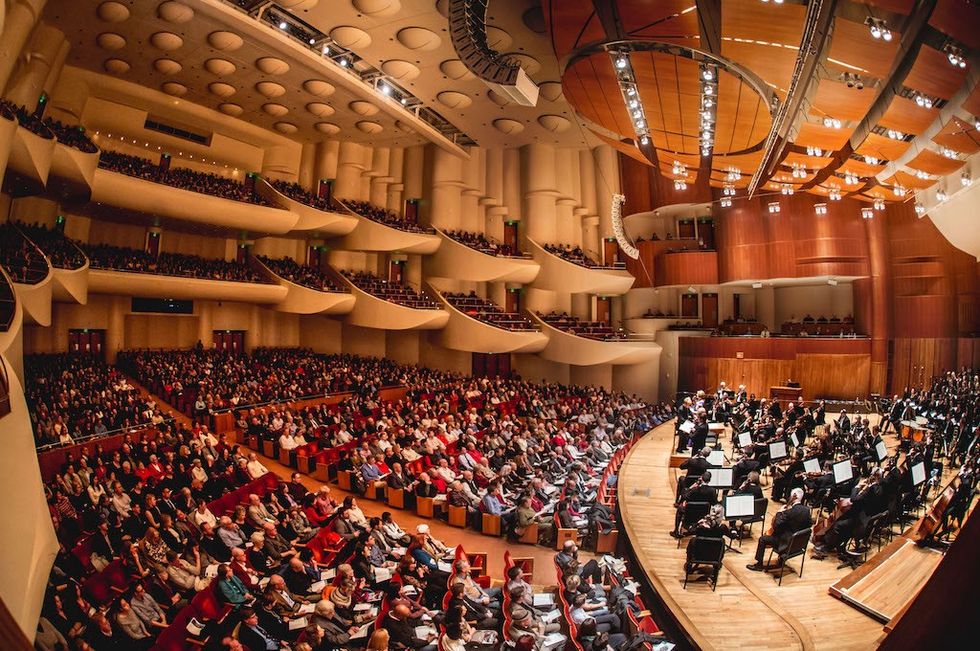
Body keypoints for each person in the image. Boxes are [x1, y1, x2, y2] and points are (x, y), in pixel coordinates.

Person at [746, 488, 813, 571]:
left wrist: (779, 512)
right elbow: (809, 524)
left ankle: (759, 565)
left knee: (762, 539)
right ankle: (781, 559)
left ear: (793, 497)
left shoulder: (788, 512)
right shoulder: (806, 510)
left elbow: (776, 525)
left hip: (785, 544)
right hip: (798, 545)